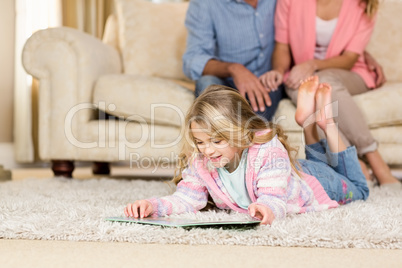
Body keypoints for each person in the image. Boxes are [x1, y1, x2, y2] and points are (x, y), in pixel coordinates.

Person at [124, 77, 369, 225]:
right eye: (200, 142)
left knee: (360, 188)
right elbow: (187, 198)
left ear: (242, 132)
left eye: (218, 141)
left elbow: (274, 199)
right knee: (323, 166)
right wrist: (151, 205)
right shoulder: (202, 160)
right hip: (288, 172)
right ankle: (309, 122)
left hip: (314, 183)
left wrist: (267, 208)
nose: (207, 150)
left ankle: (326, 123)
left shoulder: (267, 150)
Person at [259, 0, 399, 185]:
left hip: (349, 73)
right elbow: (282, 46)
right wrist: (278, 70)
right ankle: (355, 164)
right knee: (308, 98)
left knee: (325, 82)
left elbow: (349, 59)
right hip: (302, 76)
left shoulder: (364, 5)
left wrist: (312, 65)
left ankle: (375, 160)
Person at [182, 0, 284, 121]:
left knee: (268, 90)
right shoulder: (204, 4)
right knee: (207, 83)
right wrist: (234, 69)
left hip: (267, 80)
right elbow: (192, 60)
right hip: (227, 81)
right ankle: (225, 134)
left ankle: (250, 134)